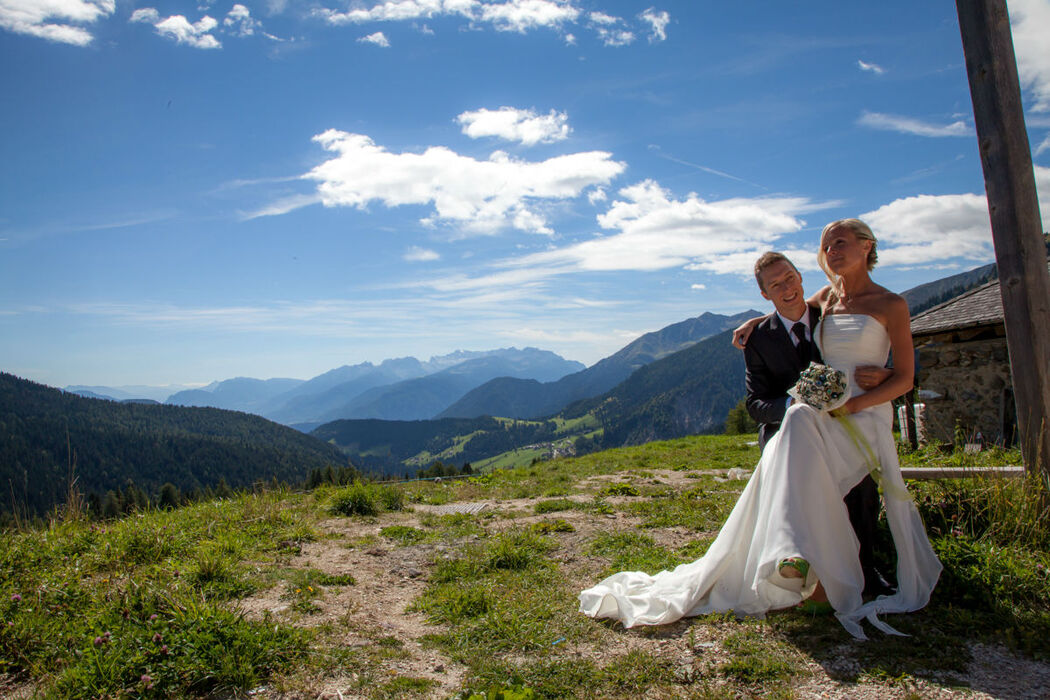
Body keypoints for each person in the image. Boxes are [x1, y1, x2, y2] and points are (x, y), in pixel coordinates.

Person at [578, 219, 942, 639]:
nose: (832, 250)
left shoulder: (889, 303)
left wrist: (863, 395)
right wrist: (756, 324)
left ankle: (806, 567)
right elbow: (787, 313)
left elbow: (905, 377)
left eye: (840, 243)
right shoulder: (826, 299)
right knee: (799, 416)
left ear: (867, 246)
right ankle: (804, 566)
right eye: (826, 245)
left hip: (863, 413)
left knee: (802, 428)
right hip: (818, 414)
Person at [744, 251, 895, 598]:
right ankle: (798, 562)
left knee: (861, 483)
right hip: (785, 429)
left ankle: (865, 568)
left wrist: (885, 374)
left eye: (790, 278)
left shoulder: (831, 315)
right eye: (775, 285)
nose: (787, 288)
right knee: (793, 466)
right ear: (765, 294)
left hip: (840, 422)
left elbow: (866, 354)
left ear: (800, 276)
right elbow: (756, 405)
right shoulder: (757, 339)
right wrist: (794, 405)